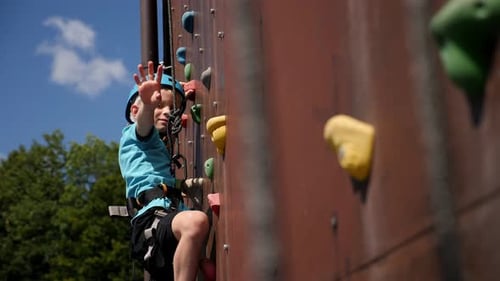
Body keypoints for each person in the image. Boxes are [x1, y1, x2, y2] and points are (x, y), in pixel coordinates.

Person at [119, 61, 209, 281]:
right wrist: (148, 107)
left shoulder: (156, 147)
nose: (167, 112)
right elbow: (143, 126)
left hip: (162, 218)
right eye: (160, 106)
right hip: (151, 221)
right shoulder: (136, 135)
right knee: (195, 223)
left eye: (172, 108)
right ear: (134, 111)